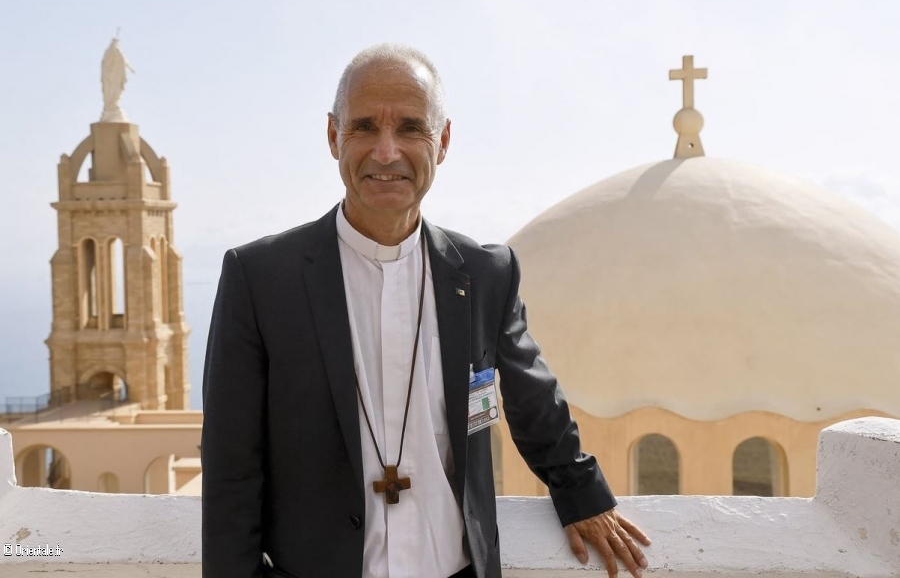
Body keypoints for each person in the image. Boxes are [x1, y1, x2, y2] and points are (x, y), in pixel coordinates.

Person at [201, 43, 651, 578]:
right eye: (364, 126)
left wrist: (581, 492)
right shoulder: (260, 278)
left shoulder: (486, 273)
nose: (386, 152)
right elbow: (231, 465)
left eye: (411, 128)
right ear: (332, 136)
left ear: (442, 141)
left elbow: (532, 399)